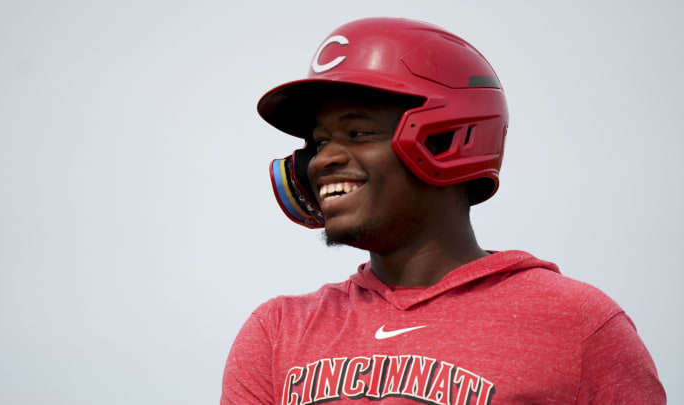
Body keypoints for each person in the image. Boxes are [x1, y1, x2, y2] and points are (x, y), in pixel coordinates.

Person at [221, 18, 665, 405]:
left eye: (357, 132)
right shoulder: (276, 333)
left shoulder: (580, 326)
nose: (323, 160)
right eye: (317, 143)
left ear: (445, 139)